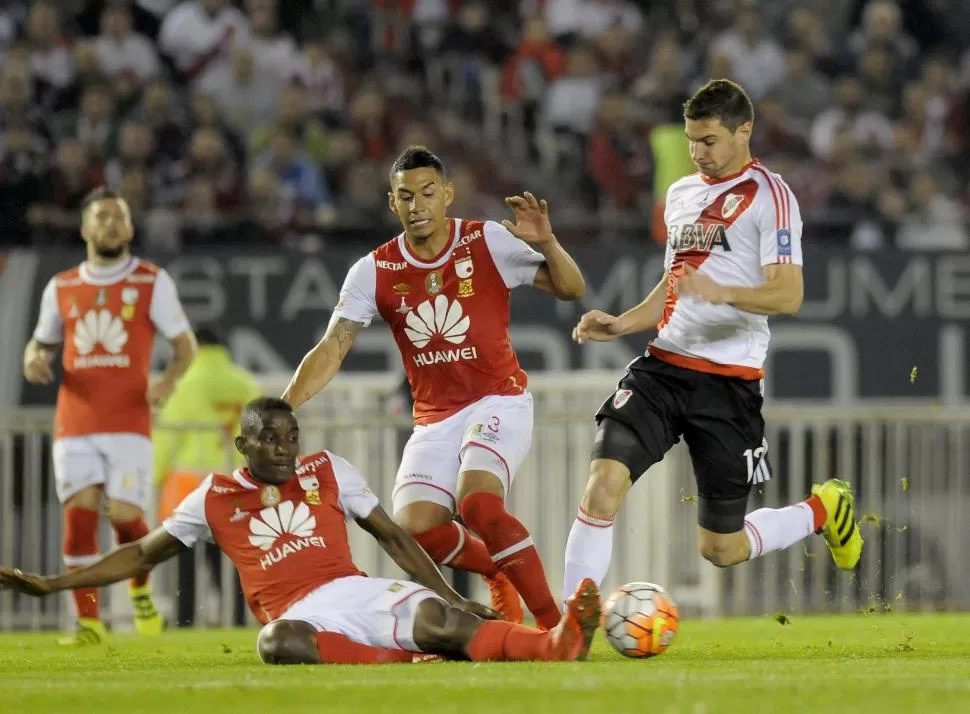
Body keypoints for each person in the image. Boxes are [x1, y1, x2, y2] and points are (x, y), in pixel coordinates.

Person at [562, 79, 863, 655]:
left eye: (710, 140)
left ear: (744, 131)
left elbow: (788, 295)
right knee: (602, 486)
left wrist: (725, 294)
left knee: (719, 550)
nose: (698, 151)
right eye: (692, 139)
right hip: (663, 369)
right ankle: (570, 631)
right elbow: (678, 281)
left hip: (729, 385)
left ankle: (823, 508)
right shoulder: (680, 193)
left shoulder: (773, 196)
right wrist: (625, 323)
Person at [0, 398, 603, 665]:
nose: (286, 450)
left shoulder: (328, 470)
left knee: (446, 623)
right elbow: (139, 555)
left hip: (353, 591)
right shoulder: (213, 496)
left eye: (292, 437)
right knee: (275, 645)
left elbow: (394, 538)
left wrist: (448, 594)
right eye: (271, 439)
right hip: (300, 615)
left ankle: (557, 644)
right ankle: (400, 661)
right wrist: (53, 586)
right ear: (243, 444)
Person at [282, 146, 586, 629]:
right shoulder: (374, 270)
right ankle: (497, 571)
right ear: (392, 204)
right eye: (406, 197)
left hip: (498, 399)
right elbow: (333, 347)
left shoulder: (485, 240)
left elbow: (572, 288)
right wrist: (286, 405)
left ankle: (554, 627)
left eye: (427, 193)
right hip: (434, 419)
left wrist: (547, 243)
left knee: (478, 503)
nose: (417, 205)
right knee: (414, 530)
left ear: (448, 194)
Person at [22, 186, 197, 645]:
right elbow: (39, 344)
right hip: (75, 422)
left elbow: (185, 344)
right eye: (101, 217)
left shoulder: (150, 281)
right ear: (85, 228)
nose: (111, 224)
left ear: (131, 227)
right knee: (79, 519)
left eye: (118, 217)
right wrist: (34, 359)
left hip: (129, 422)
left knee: (125, 516)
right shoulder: (61, 286)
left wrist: (168, 381)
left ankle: (140, 591)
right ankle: (89, 623)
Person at [153, 324, 262, 626]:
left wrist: (155, 473)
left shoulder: (186, 382)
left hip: (189, 479)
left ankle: (185, 619)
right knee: (229, 560)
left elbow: (167, 434)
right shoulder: (244, 383)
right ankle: (240, 619)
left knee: (185, 559)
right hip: (233, 480)